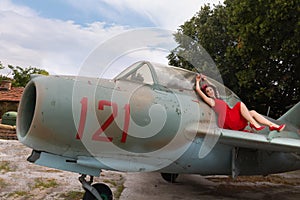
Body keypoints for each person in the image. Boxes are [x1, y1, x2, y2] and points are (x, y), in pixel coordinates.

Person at [195, 74, 285, 132]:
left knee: (253, 112)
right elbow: (198, 89)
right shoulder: (211, 101)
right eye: (207, 91)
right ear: (206, 94)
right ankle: (254, 124)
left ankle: (273, 126)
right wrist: (198, 81)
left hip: (232, 116)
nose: (210, 92)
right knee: (239, 105)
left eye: (210, 90)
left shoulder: (218, 98)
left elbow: (214, 86)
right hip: (228, 121)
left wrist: (206, 79)